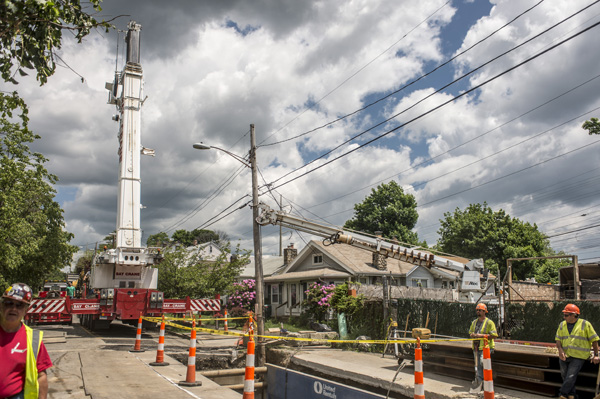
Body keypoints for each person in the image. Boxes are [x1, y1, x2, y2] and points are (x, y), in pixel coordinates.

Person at [0, 283, 53, 399]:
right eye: (9, 303)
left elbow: (41, 376)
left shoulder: (33, 339)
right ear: (2, 305)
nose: (13, 308)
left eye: (19, 305)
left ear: (25, 310)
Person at [555, 304, 599, 399]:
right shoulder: (562, 324)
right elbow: (558, 339)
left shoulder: (585, 324)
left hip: (579, 356)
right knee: (565, 376)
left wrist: (596, 355)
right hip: (564, 355)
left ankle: (562, 394)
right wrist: (560, 350)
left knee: (570, 376)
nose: (564, 317)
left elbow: (594, 340)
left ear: (574, 315)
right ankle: (572, 395)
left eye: (566, 315)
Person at [468, 302, 498, 391]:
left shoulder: (489, 323)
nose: (478, 312)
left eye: (480, 310)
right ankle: (479, 384)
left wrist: (480, 336)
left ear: (484, 311)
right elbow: (470, 332)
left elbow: (494, 335)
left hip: (486, 347)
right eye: (477, 310)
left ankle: (487, 381)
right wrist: (472, 335)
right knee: (477, 366)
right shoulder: (474, 322)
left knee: (482, 363)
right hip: (476, 347)